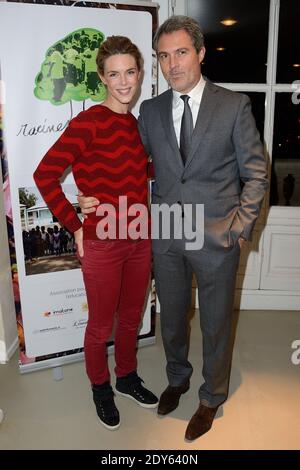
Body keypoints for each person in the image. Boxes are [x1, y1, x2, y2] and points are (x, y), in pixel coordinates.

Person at [78, 16, 269, 441]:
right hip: (163, 236)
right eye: (164, 56)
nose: (172, 64)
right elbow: (125, 164)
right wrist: (87, 196)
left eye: (181, 52)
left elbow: (257, 174)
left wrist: (239, 228)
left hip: (217, 236)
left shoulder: (233, 105)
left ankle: (211, 395)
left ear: (200, 53)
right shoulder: (150, 110)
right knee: (172, 321)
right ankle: (178, 378)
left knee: (216, 322)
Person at [34, 35, 158, 431]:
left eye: (131, 73)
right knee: (101, 325)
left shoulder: (136, 124)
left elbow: (141, 174)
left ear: (140, 74)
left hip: (140, 238)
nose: (124, 82)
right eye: (115, 74)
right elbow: (44, 175)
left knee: (130, 319)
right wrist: (75, 223)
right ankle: (100, 387)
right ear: (103, 78)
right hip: (103, 243)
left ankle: (125, 377)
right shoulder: (87, 122)